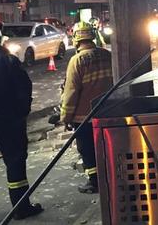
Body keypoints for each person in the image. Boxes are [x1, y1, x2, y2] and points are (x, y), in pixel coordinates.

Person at [0, 24, 43, 223]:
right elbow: (24, 89)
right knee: (15, 164)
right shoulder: (9, 60)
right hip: (9, 122)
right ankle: (21, 207)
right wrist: (20, 115)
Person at [61, 21, 113, 194]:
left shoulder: (77, 61)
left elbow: (71, 93)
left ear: (76, 38)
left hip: (84, 117)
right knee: (107, 147)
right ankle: (109, 177)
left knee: (88, 151)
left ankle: (94, 182)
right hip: (107, 113)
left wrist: (65, 117)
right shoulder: (107, 55)